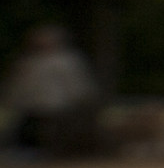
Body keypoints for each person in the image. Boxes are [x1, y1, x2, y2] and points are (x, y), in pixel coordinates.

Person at [5, 25, 100, 158]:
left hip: (56, 103)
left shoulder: (66, 61)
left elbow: (74, 82)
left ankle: (54, 152)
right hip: (32, 104)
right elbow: (20, 84)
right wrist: (13, 99)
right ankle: (30, 151)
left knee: (54, 130)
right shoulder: (28, 62)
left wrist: (80, 97)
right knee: (30, 128)